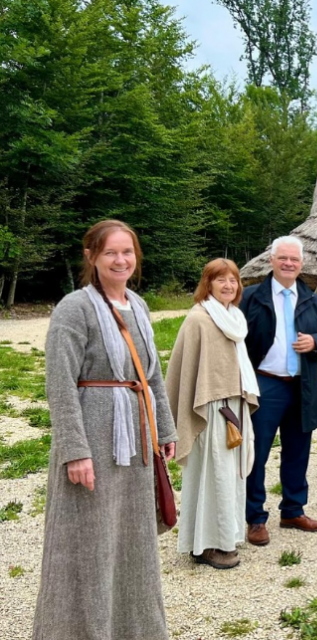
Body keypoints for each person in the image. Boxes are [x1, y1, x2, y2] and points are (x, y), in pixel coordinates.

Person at [33, 220, 177, 640]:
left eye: (127, 252)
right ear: (91, 257)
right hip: (94, 442)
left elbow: (150, 376)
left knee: (131, 544)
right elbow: (59, 383)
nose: (120, 260)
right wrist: (74, 450)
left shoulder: (140, 305)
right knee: (88, 543)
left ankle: (134, 629)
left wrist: (164, 430)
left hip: (134, 443)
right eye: (110, 252)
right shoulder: (73, 308)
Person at [240, 236, 317, 544]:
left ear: (301, 263)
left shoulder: (311, 300)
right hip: (265, 383)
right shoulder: (252, 297)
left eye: (294, 259)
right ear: (272, 260)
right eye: (283, 258)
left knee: (298, 452)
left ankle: (293, 510)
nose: (289, 263)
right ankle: (254, 517)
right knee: (257, 454)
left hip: (302, 385)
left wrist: (315, 343)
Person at [165, 259, 259, 569]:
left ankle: (224, 537)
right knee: (212, 475)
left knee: (229, 478)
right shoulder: (199, 319)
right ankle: (204, 544)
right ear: (208, 284)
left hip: (233, 406)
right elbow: (184, 370)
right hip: (209, 409)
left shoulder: (234, 318)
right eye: (221, 280)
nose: (228, 285)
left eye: (233, 280)